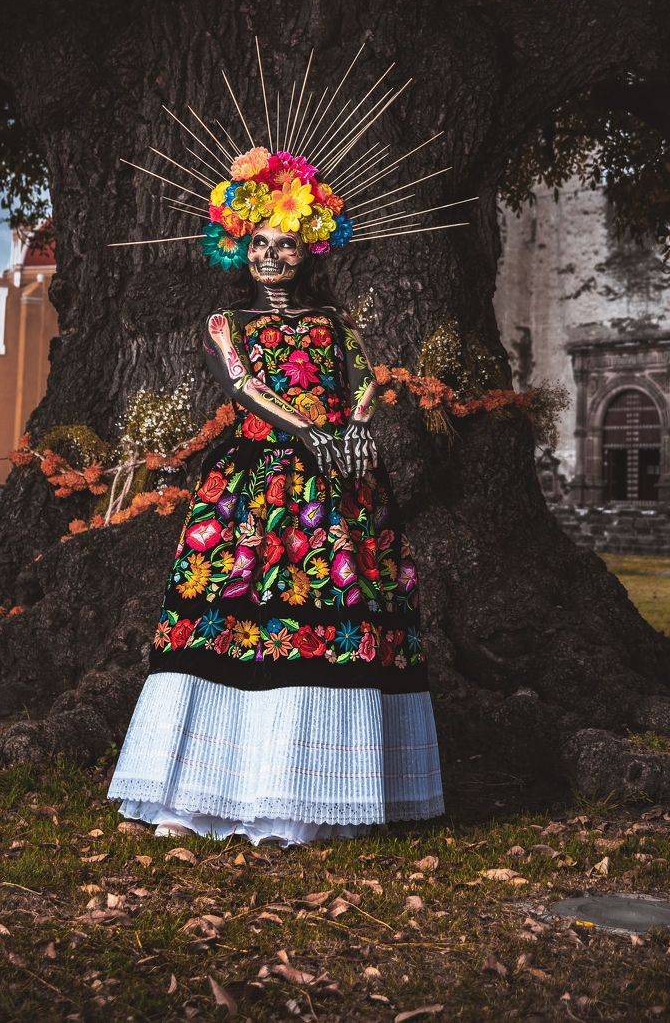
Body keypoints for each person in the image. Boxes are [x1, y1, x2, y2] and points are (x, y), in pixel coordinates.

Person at [107, 48, 454, 846]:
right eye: (259, 243)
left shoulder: (335, 324)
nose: (272, 256)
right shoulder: (227, 323)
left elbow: (363, 379)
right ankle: (213, 789)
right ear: (238, 246)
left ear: (310, 249)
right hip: (255, 485)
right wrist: (311, 431)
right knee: (235, 617)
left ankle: (315, 791)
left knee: (331, 612)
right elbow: (242, 386)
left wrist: (353, 427)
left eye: (287, 244)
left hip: (339, 485)